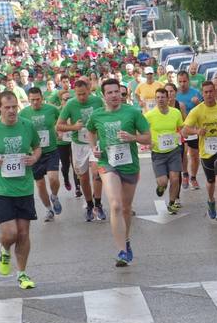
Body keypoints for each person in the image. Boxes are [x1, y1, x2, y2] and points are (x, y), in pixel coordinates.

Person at [0, 90, 41, 290]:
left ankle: (22, 274)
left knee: (23, 233)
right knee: (10, 234)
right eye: (7, 107)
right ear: (0, 108)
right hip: (2, 189)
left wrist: (34, 158)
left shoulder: (27, 126)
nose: (11, 111)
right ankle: (4, 248)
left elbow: (37, 147)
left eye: (14, 107)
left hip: (24, 187)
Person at [86, 78, 151, 267]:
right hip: (107, 163)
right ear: (103, 96)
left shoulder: (132, 112)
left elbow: (148, 139)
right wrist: (94, 148)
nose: (115, 96)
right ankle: (122, 250)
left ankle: (126, 239)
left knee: (125, 208)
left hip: (129, 164)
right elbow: (90, 131)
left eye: (117, 92)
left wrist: (133, 137)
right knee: (114, 205)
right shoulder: (97, 115)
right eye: (110, 93)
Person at [182, 80, 217, 223]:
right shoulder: (197, 111)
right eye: (205, 92)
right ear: (202, 94)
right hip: (205, 152)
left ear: (215, 92)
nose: (209, 94)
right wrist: (196, 130)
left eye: (211, 91)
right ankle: (211, 201)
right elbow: (184, 130)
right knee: (210, 181)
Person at [56, 79, 106, 222]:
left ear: (89, 90)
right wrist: (73, 128)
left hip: (95, 142)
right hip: (78, 145)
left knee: (97, 173)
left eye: (84, 94)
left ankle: (98, 204)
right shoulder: (71, 104)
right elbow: (58, 126)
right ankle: (89, 205)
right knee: (83, 178)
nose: (81, 97)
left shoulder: (97, 101)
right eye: (78, 94)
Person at [22, 87, 64, 223]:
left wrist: (60, 131)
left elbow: (61, 120)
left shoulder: (51, 109)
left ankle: (54, 196)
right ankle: (48, 209)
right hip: (34, 154)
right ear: (29, 100)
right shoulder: (23, 113)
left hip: (51, 150)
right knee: (40, 184)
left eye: (37, 99)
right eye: (32, 100)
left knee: (53, 179)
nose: (35, 102)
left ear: (42, 98)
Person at [145, 87, 185, 215]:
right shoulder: (149, 115)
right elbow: (141, 131)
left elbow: (181, 127)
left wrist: (185, 134)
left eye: (163, 97)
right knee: (163, 181)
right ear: (155, 99)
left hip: (174, 150)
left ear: (168, 99)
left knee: (174, 178)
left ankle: (172, 203)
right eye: (158, 97)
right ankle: (161, 186)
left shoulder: (175, 113)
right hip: (158, 152)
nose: (160, 100)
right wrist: (148, 142)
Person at [173, 70, 202, 191]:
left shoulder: (196, 93)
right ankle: (185, 174)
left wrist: (198, 103)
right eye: (180, 81)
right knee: (183, 153)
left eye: (184, 81)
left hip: (194, 128)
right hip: (181, 128)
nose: (182, 84)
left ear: (189, 81)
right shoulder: (175, 94)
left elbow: (204, 109)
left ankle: (193, 177)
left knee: (195, 155)